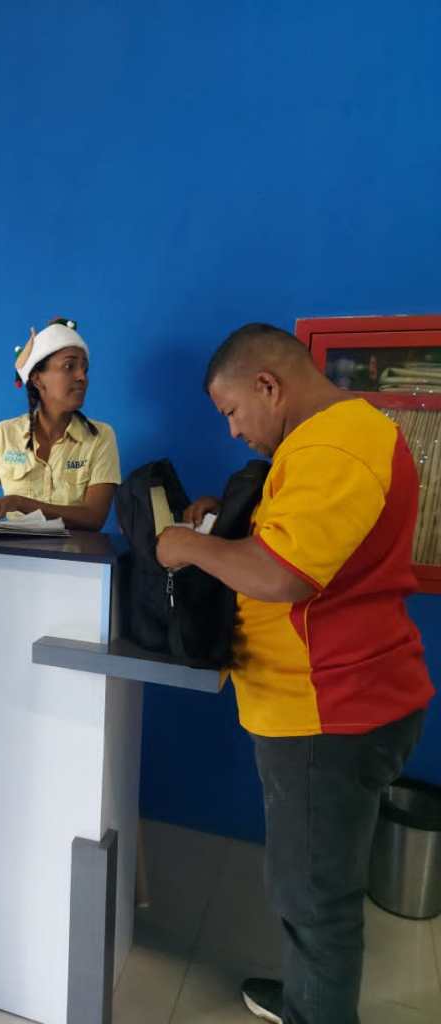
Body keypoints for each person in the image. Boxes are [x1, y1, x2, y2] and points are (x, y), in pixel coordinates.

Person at [156, 323, 434, 1024]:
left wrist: (187, 547)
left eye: (231, 411)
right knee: (310, 882)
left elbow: (282, 573)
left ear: (268, 386)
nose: (232, 431)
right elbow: (292, 540)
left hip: (328, 713)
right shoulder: (323, 444)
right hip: (327, 703)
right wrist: (224, 520)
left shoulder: (337, 444)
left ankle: (318, 1012)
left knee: (315, 900)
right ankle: (310, 996)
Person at [0, 317, 121, 529]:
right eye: (69, 366)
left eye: (84, 369)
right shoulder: (4, 434)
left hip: (75, 551)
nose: (82, 377)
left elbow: (94, 518)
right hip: (15, 551)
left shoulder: (100, 436)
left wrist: (19, 503)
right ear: (37, 379)